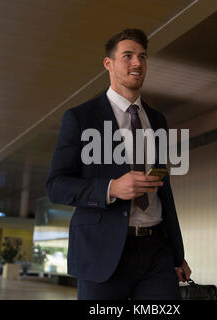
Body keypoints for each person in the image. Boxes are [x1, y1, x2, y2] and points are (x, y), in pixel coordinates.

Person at [46, 28, 191, 300]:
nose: (137, 63)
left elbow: (164, 190)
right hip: (103, 252)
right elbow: (56, 186)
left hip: (156, 251)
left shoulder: (157, 121)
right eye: (127, 56)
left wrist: (177, 253)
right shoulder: (80, 118)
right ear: (108, 64)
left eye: (142, 56)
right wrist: (111, 188)